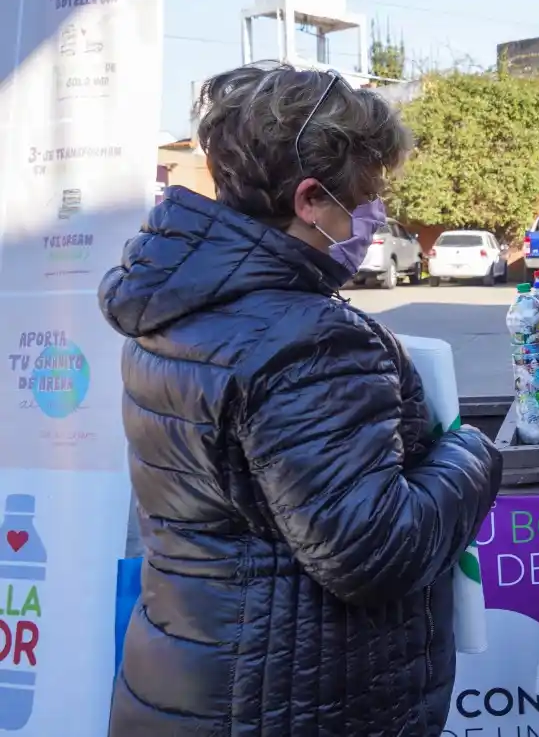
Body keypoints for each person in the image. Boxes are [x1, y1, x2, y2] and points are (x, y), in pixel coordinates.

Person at [100, 62, 502, 737]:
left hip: (187, 679)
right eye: (369, 196)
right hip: (287, 699)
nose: (378, 218)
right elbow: (374, 549)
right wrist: (471, 453)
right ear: (312, 200)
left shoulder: (173, 307)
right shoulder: (306, 340)